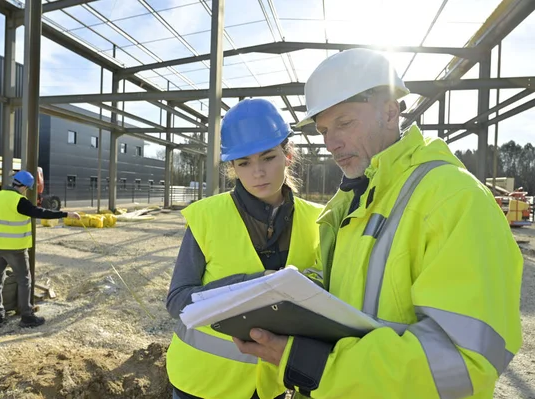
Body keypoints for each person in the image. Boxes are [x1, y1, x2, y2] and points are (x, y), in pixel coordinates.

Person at [234, 48, 523, 399]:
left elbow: (465, 361)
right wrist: (292, 293)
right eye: (324, 129)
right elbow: (352, 290)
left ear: (390, 111)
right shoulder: (353, 201)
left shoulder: (454, 199)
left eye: (344, 123)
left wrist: (320, 366)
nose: (332, 143)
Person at [165, 98, 324, 399]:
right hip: (202, 384)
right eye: (245, 163)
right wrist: (255, 283)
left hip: (273, 384)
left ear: (287, 155)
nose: (258, 173)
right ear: (233, 168)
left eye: (268, 157)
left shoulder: (317, 220)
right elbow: (177, 301)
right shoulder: (207, 217)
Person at [0, 170, 80, 328]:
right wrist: (66, 214)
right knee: (24, 280)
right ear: (25, 187)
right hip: (15, 249)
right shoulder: (19, 201)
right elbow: (40, 212)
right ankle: (27, 316)